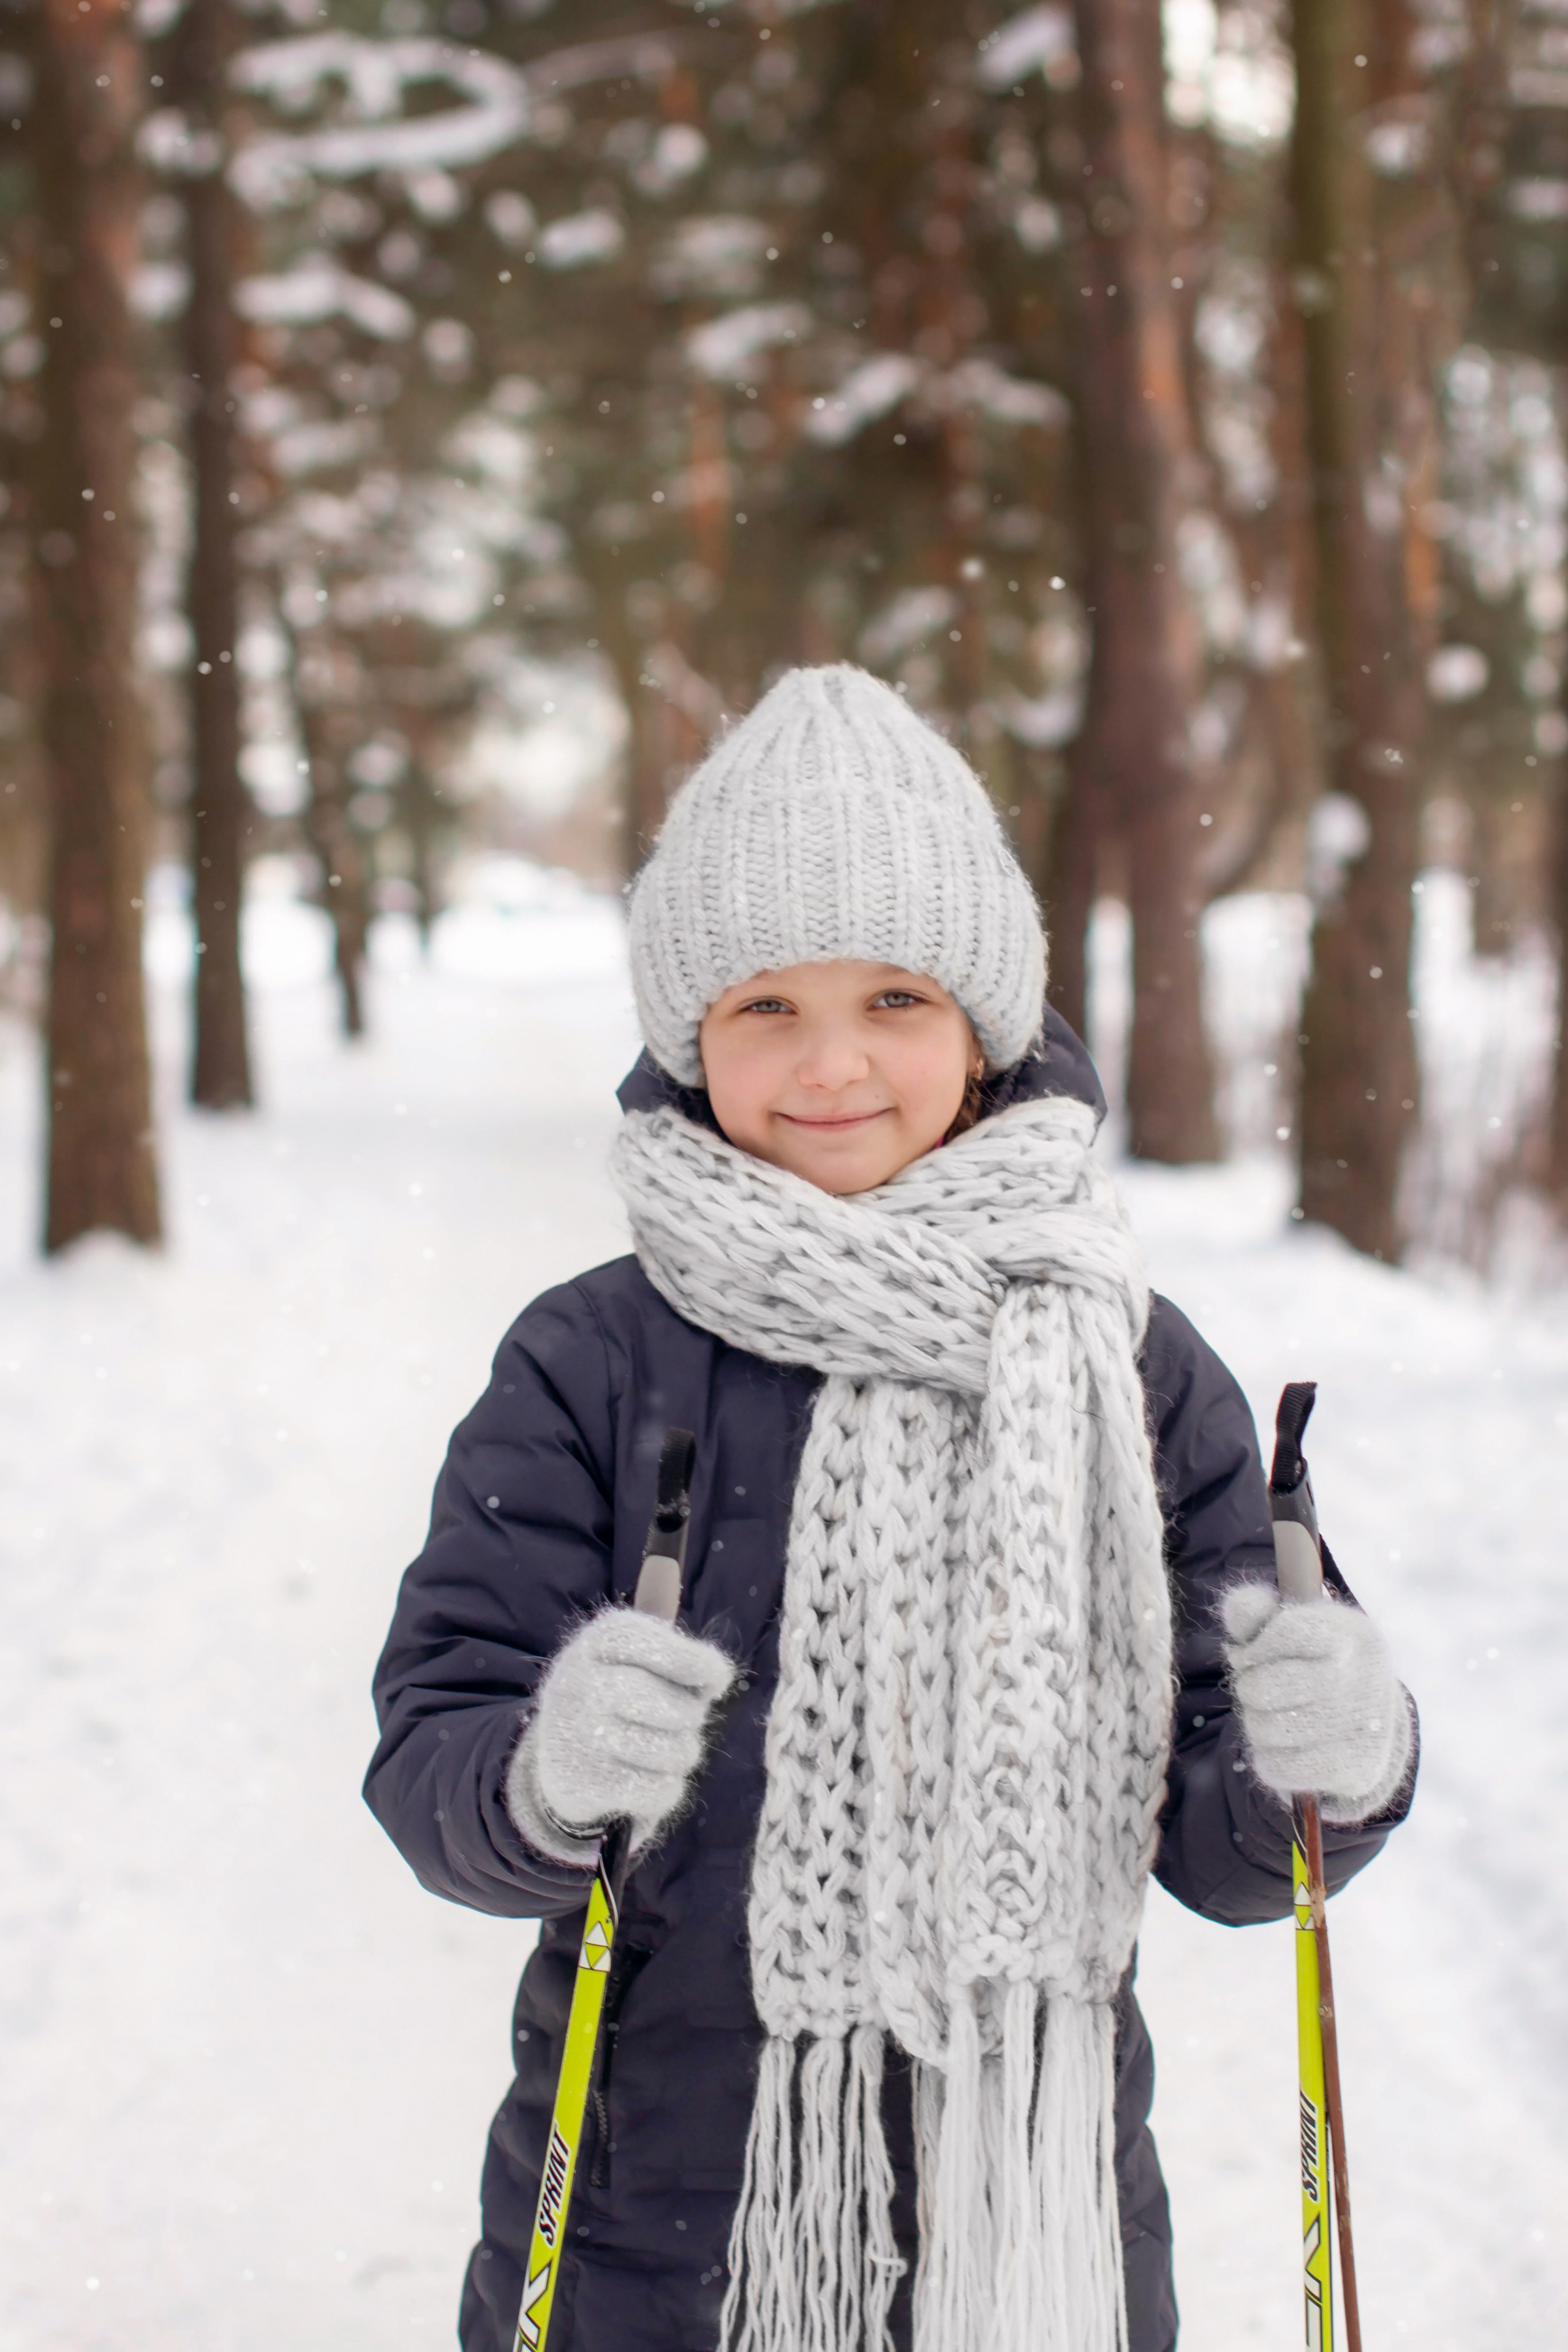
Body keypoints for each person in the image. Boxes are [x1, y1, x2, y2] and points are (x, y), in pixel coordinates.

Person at [365, 664, 1417, 2352]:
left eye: (898, 1001)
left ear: (985, 1026)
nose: (832, 1064)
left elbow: (1236, 1857)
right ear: (688, 1034)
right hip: (658, 2240)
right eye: (764, 1006)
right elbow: (435, 1769)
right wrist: (543, 1782)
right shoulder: (591, 1357)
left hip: (1040, 2238)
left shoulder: (1124, 1366)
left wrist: (1330, 1764)